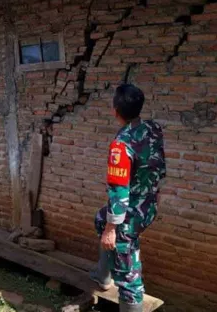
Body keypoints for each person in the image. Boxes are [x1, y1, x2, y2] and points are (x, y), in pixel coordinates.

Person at [90, 84, 166, 312]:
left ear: (115, 111)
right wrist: (156, 194)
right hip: (148, 205)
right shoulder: (153, 128)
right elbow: (159, 165)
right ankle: (103, 277)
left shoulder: (120, 146)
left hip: (128, 216)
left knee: (128, 275)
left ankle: (122, 283)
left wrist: (112, 229)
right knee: (100, 218)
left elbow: (119, 192)